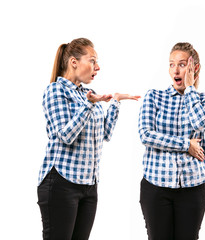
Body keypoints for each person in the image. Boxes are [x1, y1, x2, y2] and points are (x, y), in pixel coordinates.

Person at [37, 37, 140, 240]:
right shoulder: (55, 91)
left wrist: (116, 103)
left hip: (89, 185)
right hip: (61, 183)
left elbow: (105, 134)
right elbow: (66, 136)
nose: (97, 67)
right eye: (92, 60)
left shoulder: (88, 94)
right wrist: (89, 104)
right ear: (74, 62)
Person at [138, 42, 205, 240]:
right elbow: (146, 135)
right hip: (156, 187)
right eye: (172, 64)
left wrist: (190, 89)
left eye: (182, 64)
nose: (176, 70)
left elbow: (200, 122)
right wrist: (186, 145)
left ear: (194, 68)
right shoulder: (154, 97)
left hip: (193, 188)